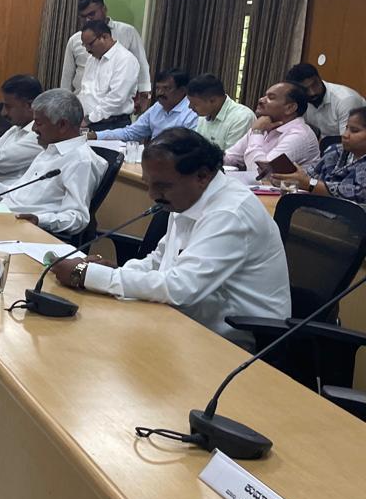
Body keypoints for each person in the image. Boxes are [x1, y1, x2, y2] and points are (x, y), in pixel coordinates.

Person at [50, 128, 289, 347]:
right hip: (184, 324)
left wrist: (88, 275)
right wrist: (118, 271)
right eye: (148, 185)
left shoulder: (230, 213)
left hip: (235, 344)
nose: (153, 195)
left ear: (202, 176)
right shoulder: (188, 197)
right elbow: (160, 260)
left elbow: (180, 289)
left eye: (162, 186)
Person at [0, 88, 104, 237]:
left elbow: (77, 218)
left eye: (38, 123)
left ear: (62, 125)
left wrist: (40, 220)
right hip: (3, 216)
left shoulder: (81, 160)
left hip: (26, 231)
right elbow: (15, 195)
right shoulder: (50, 150)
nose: (33, 129)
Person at [60, 0, 150, 108]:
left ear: (104, 9)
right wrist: (64, 105)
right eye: (83, 16)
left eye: (92, 14)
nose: (88, 19)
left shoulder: (128, 32)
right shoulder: (75, 40)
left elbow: (142, 65)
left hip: (117, 106)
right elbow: (67, 77)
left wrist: (145, 94)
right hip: (82, 105)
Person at [271, 106, 366, 203]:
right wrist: (289, 177)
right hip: (316, 207)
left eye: (354, 131)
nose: (345, 135)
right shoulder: (335, 151)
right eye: (346, 129)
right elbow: (310, 175)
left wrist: (308, 183)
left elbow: (356, 194)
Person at [223, 82, 320, 176]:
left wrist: (257, 132)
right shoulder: (265, 124)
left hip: (281, 187)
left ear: (290, 108)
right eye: (265, 96)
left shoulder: (299, 135)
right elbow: (230, 157)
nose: (261, 100)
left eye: (271, 97)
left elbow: (260, 173)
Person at [91, 68, 197, 144]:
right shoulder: (157, 107)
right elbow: (130, 133)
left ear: (182, 90)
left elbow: (190, 147)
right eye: (157, 88)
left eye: (166, 88)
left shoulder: (193, 112)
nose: (160, 93)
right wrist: (97, 135)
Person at [0, 74, 43, 182]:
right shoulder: (15, 129)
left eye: (8, 106)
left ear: (30, 106)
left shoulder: (40, 135)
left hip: (5, 191)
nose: (3, 113)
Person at [76, 20, 139, 133]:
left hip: (112, 125)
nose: (87, 50)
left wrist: (89, 119)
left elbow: (116, 98)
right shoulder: (92, 59)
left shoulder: (125, 59)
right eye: (84, 45)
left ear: (105, 37)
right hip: (87, 123)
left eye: (90, 44)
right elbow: (85, 90)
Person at [285, 62, 365, 137]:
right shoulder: (300, 101)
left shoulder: (345, 100)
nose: (313, 92)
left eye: (315, 84)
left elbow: (349, 141)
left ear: (319, 78)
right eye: (305, 90)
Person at [186, 75, 253, 151]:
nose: (190, 107)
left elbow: (231, 157)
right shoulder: (204, 114)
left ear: (213, 100)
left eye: (194, 104)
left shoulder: (241, 118)